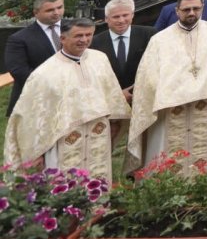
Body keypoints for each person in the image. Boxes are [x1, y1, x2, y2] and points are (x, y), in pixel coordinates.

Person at [3, 18, 129, 181]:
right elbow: (32, 114)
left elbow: (110, 92)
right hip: (64, 137)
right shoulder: (45, 72)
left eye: (88, 35)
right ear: (62, 38)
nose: (84, 40)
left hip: (98, 132)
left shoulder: (100, 59)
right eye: (78, 36)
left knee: (98, 181)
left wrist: (115, 122)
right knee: (66, 184)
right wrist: (36, 152)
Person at [126, 0, 207, 174]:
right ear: (177, 11)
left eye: (196, 8)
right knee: (169, 154)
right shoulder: (160, 39)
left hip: (206, 103)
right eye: (186, 9)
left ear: (202, 8)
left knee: (205, 149)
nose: (191, 13)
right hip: (171, 107)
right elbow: (148, 76)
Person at [4, 0, 64, 116]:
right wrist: (53, 83)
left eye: (60, 7)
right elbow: (19, 70)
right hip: (35, 100)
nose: (56, 12)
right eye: (50, 10)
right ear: (36, 12)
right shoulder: (19, 39)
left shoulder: (75, 29)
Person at [93, 0, 153, 105]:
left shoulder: (149, 35)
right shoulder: (94, 42)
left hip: (143, 99)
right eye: (116, 17)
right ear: (106, 19)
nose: (121, 20)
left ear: (132, 15)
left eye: (125, 15)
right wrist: (118, 95)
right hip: (110, 103)